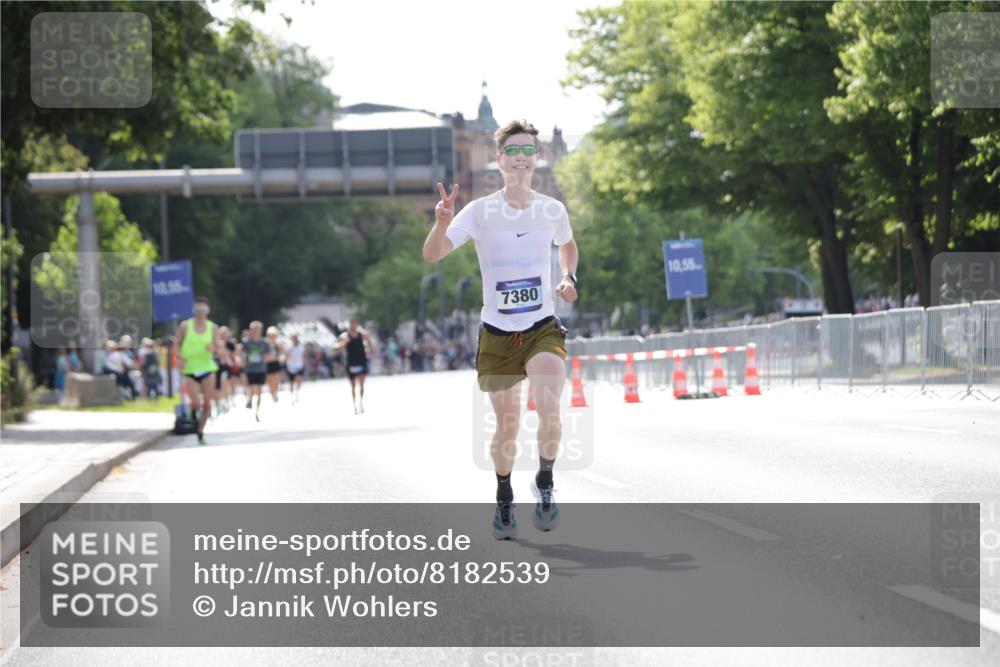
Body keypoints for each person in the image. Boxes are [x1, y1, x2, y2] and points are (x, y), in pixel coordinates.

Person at [422, 119, 579, 540]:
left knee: (550, 407)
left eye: (528, 149)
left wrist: (569, 277)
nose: (522, 157)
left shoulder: (552, 210)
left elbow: (567, 244)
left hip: (542, 326)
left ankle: (544, 483)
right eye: (513, 150)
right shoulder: (478, 211)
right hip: (496, 332)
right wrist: (440, 222)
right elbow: (433, 255)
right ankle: (504, 497)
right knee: (507, 425)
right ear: (499, 160)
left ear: (537, 157)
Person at [172, 297, 220, 445]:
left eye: (203, 310)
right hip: (190, 368)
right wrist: (179, 357)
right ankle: (194, 418)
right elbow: (176, 344)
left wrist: (213, 349)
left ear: (208, 311)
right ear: (194, 310)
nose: (200, 313)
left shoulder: (213, 327)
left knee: (207, 403)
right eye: (197, 309)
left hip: (207, 367)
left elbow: (217, 348)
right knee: (195, 404)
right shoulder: (185, 326)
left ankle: (200, 430)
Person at [332, 319, 375, 414]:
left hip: (362, 360)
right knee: (353, 386)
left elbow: (371, 344)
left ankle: (361, 402)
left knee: (362, 383)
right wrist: (342, 344)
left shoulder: (363, 334)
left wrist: (369, 349)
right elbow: (334, 347)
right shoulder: (345, 336)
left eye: (355, 323)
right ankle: (355, 403)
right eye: (352, 323)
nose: (353, 325)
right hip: (351, 362)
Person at [242, 321, 268, 421]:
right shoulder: (247, 342)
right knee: (252, 389)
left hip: (261, 369)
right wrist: (244, 361)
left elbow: (267, 354)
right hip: (250, 369)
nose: (256, 331)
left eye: (258, 329)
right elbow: (243, 354)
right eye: (254, 329)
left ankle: (257, 412)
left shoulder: (264, 343)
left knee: (259, 392)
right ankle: (250, 400)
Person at [264, 326, 285, 406]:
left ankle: (275, 393)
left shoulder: (278, 345)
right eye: (270, 335)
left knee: (276, 380)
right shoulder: (265, 345)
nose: (272, 337)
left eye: (274, 335)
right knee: (270, 382)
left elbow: (283, 354)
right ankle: (272, 394)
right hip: (267, 365)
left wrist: (279, 358)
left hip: (276, 364)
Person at [285, 333, 306, 403]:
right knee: (292, 382)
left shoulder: (301, 346)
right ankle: (292, 394)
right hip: (291, 366)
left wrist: (304, 362)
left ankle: (297, 393)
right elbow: (286, 355)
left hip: (299, 365)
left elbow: (303, 355)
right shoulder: (288, 347)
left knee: (299, 380)